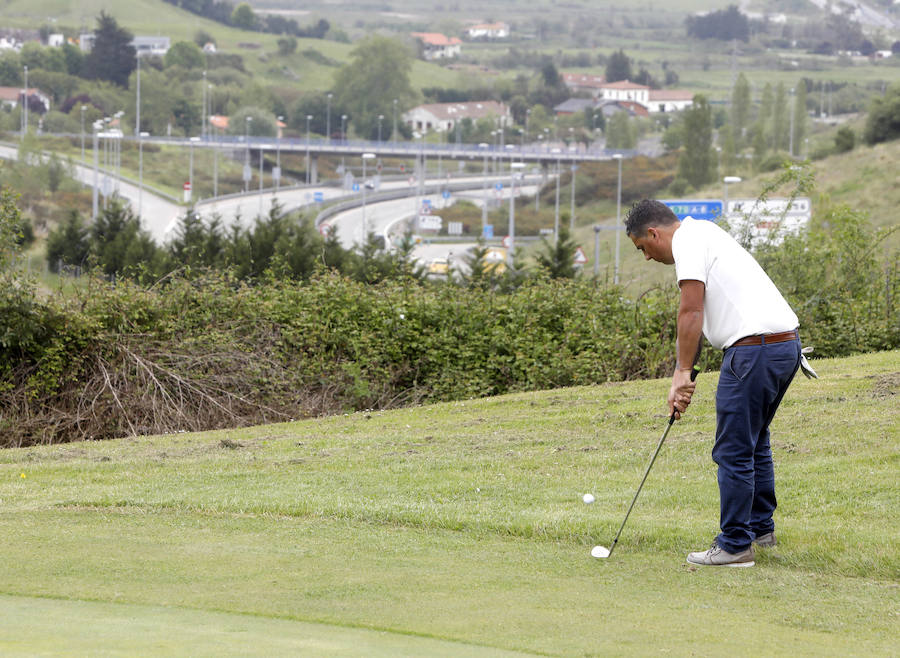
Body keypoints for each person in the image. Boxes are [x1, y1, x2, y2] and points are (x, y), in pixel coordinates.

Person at [625, 199, 801, 568]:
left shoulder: (687, 243)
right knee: (754, 442)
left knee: (733, 450)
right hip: (785, 344)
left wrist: (681, 373)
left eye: (643, 247)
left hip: (755, 349)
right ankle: (758, 529)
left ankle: (735, 545)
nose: (646, 257)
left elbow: (691, 310)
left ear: (654, 233)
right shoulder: (705, 231)